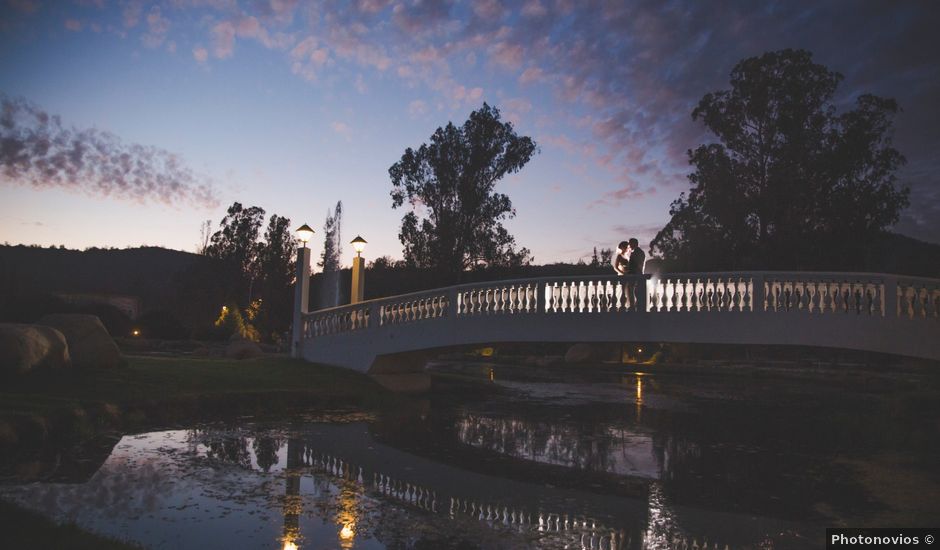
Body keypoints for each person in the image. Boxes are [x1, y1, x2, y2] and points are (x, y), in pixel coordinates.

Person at [625, 238, 645, 310]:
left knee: (632, 291)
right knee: (634, 291)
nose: (629, 246)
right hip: (635, 274)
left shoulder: (637, 252)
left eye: (630, 243)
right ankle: (634, 305)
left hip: (635, 274)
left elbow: (637, 264)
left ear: (634, 243)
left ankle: (633, 306)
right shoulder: (639, 252)